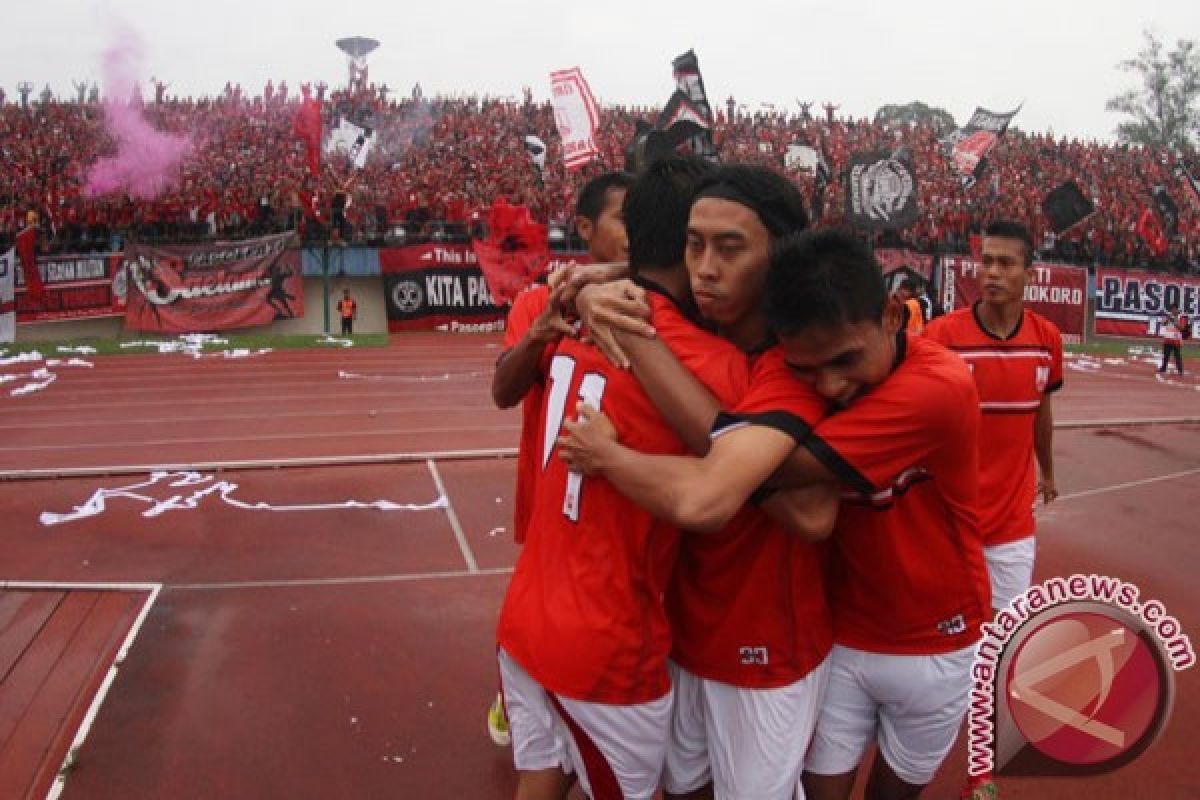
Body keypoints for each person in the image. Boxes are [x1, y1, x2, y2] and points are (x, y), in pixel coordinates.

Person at [560, 229, 989, 800]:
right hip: (846, 634)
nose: (831, 385)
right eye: (808, 370)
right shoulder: (806, 350)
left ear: (892, 315)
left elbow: (734, 476)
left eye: (846, 360)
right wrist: (604, 281)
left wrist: (615, 455)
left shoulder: (937, 388)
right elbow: (793, 259)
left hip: (938, 641)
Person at [494, 160, 766, 800]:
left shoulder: (568, 314)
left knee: (542, 776)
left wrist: (594, 281)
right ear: (691, 243)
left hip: (527, 614)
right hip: (608, 644)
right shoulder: (712, 362)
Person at [572, 164, 835, 800]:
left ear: (780, 256)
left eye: (730, 247)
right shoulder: (700, 329)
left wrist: (635, 329)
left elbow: (811, 516)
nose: (706, 267)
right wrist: (591, 288)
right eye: (695, 244)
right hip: (683, 632)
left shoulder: (801, 363)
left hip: (766, 647)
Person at [485, 170, 632, 749]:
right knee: (539, 616)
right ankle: (519, 698)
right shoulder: (536, 300)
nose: (636, 232)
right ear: (586, 228)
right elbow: (502, 391)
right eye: (624, 219)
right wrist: (542, 335)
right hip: (551, 496)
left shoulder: (649, 300)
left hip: (619, 494)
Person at [924, 220, 1062, 800]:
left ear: (1031, 274)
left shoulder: (1046, 339)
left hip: (1010, 530)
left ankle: (980, 773)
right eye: (988, 262)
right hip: (941, 524)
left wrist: (1048, 470)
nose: (994, 274)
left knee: (1000, 647)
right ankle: (914, 756)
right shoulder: (940, 337)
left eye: (1008, 264)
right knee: (931, 650)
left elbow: (1041, 411)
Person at [1156, 302, 1187, 375]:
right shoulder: (1169, 316)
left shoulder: (1181, 317)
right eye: (1171, 309)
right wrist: (1167, 319)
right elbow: (1164, 324)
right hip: (1168, 338)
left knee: (1177, 356)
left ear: (1176, 309)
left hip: (1176, 340)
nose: (1172, 311)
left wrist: (1174, 320)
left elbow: (1181, 328)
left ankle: (1180, 370)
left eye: (1174, 309)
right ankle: (1163, 368)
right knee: (1166, 355)